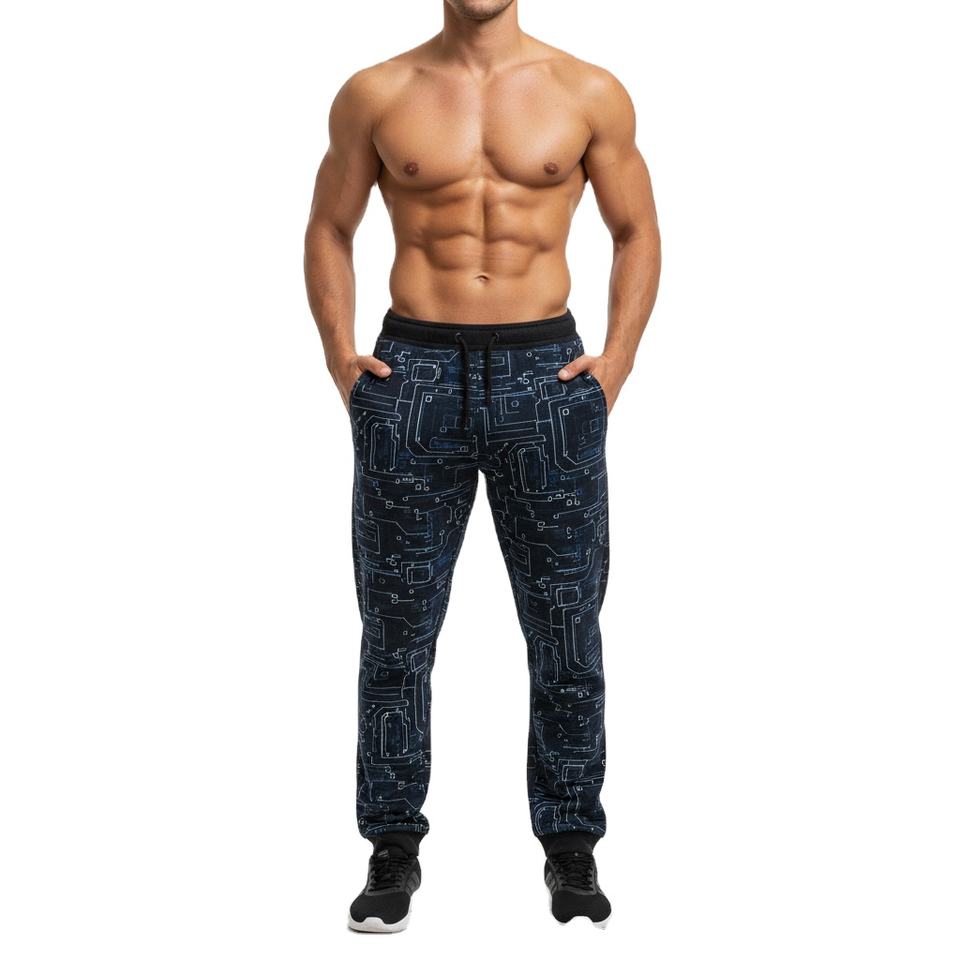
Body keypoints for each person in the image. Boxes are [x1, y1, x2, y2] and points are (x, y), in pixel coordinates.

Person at [303, 0, 660, 933]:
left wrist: (616, 362)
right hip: (412, 375)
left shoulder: (588, 90)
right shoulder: (378, 91)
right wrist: (341, 358)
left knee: (566, 628)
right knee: (396, 633)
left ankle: (571, 845)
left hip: (546, 374)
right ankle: (391, 847)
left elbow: (636, 229)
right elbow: (330, 225)